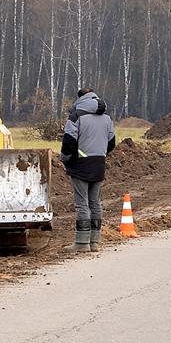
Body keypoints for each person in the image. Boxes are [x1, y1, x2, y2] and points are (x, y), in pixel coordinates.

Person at [60, 87, 116, 252]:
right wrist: (100, 153)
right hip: (99, 164)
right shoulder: (106, 118)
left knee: (82, 204)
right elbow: (111, 143)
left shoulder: (76, 116)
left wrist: (64, 158)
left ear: (80, 99)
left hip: (80, 165)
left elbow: (69, 142)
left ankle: (82, 243)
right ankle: (95, 242)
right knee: (95, 203)